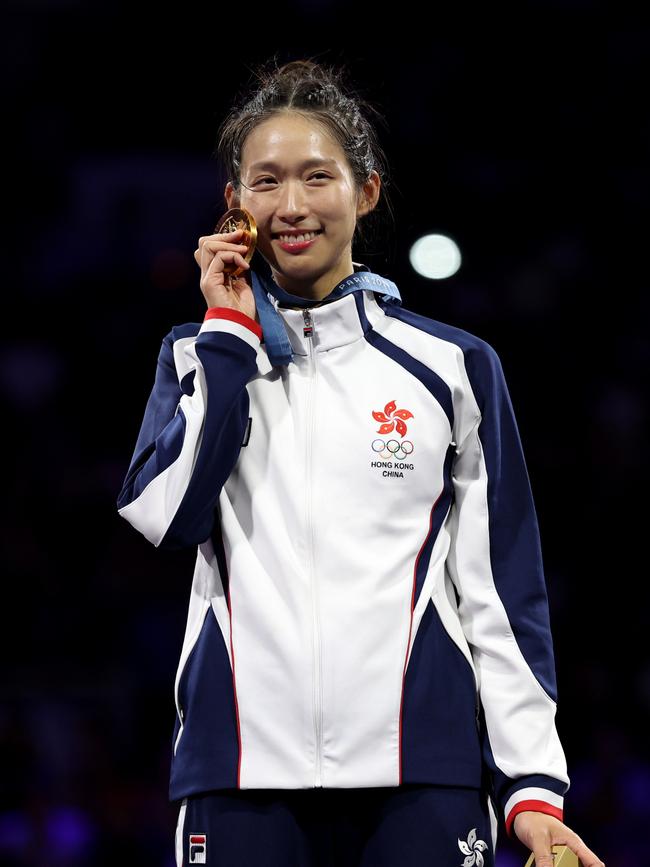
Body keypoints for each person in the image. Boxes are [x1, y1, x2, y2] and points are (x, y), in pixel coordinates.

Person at [116, 58, 605, 867]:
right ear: (234, 206)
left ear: (366, 191)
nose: (294, 206)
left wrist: (531, 788)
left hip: (423, 775)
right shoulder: (196, 360)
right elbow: (167, 520)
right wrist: (231, 338)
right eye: (265, 182)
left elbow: (500, 588)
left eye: (319, 177)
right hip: (238, 772)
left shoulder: (452, 368)